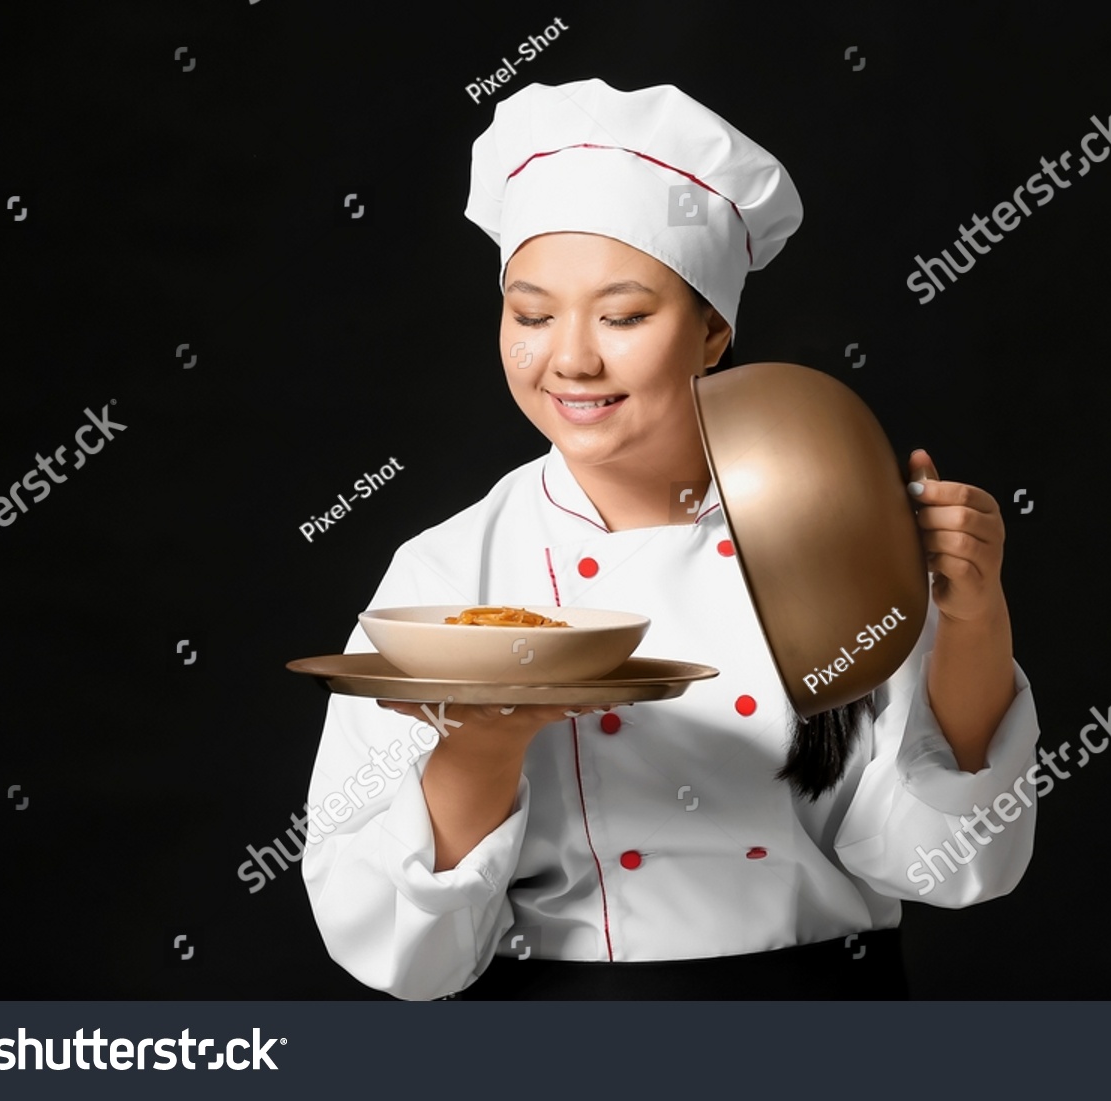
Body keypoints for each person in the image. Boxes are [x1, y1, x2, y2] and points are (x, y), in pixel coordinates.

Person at [301, 77, 1041, 1000]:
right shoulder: (449, 568)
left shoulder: (825, 520)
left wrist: (973, 620)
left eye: (622, 316)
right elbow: (396, 949)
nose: (569, 357)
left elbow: (942, 863)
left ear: (713, 331)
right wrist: (484, 747)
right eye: (531, 315)